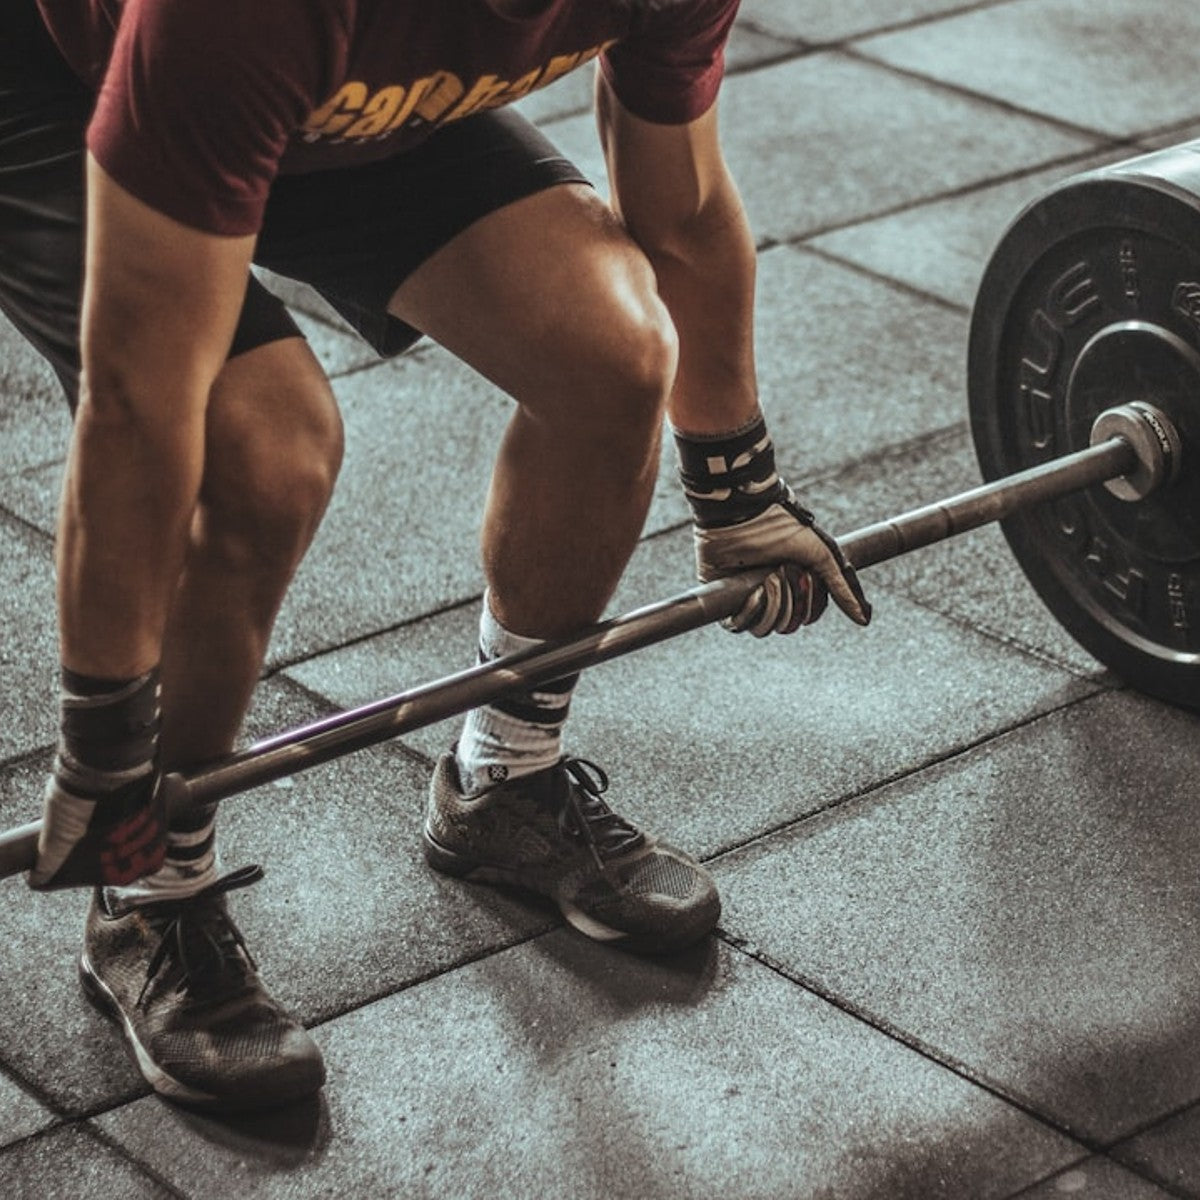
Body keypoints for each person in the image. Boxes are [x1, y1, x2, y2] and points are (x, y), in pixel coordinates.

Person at [1, 0, 871, 1111]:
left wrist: (737, 492)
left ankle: (502, 780)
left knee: (613, 351)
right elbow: (138, 402)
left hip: (336, 94)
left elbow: (684, 212)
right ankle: (149, 894)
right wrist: (107, 738)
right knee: (259, 449)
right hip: (63, 81)